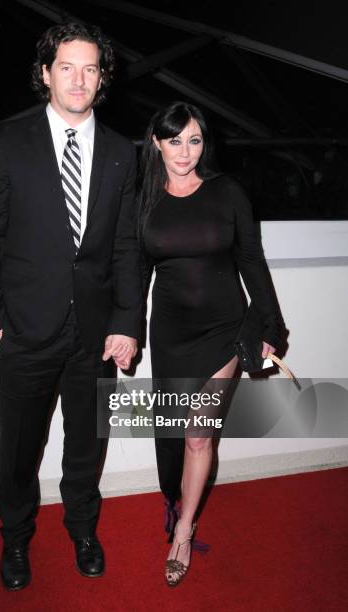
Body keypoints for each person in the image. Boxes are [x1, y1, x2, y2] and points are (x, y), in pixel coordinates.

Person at [0, 22, 141, 591]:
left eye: (90, 68)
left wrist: (126, 323)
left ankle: (83, 529)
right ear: (45, 74)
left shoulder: (121, 153)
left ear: (102, 78)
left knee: (86, 446)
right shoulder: (9, 141)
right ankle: (15, 539)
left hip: (94, 335)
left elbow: (124, 247)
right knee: (19, 451)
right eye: (66, 66)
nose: (78, 78)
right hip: (22, 332)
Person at [138, 101, 283, 586]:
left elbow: (253, 260)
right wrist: (123, 328)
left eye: (194, 140)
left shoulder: (227, 191)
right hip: (170, 334)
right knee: (175, 432)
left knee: (199, 434)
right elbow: (132, 270)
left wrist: (270, 327)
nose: (185, 151)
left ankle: (182, 530)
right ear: (156, 142)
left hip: (224, 329)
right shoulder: (142, 198)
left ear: (205, 144)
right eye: (175, 140)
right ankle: (176, 500)